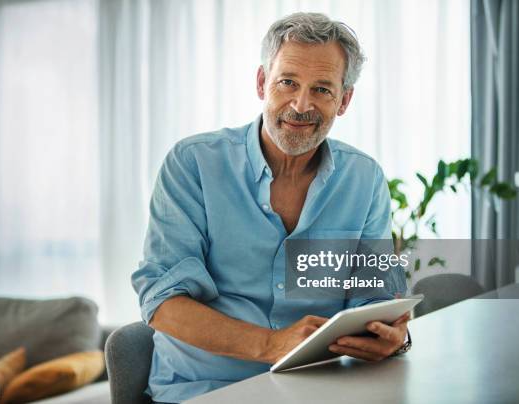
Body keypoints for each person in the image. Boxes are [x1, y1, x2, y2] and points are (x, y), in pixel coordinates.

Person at [132, 12, 409, 404]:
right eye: (288, 82)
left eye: (322, 90)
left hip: (318, 387)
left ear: (344, 100)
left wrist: (392, 334)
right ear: (263, 82)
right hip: (206, 389)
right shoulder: (193, 163)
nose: (301, 104)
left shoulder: (364, 179)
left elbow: (373, 293)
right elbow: (162, 302)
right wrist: (270, 344)